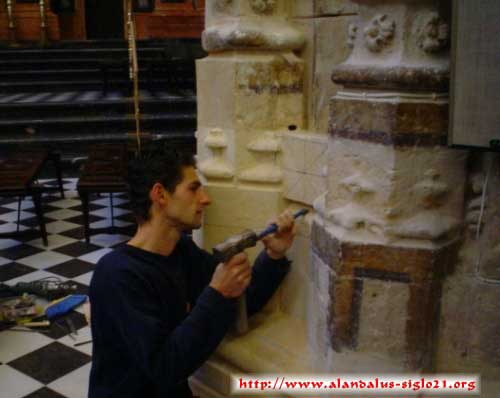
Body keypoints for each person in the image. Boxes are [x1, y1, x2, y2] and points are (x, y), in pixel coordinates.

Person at [88, 149, 297, 398]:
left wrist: (273, 256)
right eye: (194, 188)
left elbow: (242, 303)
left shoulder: (182, 252)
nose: (206, 199)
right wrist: (217, 293)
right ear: (160, 194)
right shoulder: (117, 275)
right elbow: (163, 368)